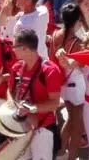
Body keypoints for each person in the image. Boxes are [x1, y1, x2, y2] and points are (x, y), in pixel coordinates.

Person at [6, 28, 63, 160]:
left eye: (14, 46)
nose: (12, 49)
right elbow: (9, 91)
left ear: (25, 49)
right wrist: (11, 106)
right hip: (20, 126)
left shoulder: (50, 71)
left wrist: (32, 110)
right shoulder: (16, 68)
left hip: (42, 128)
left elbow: (54, 103)